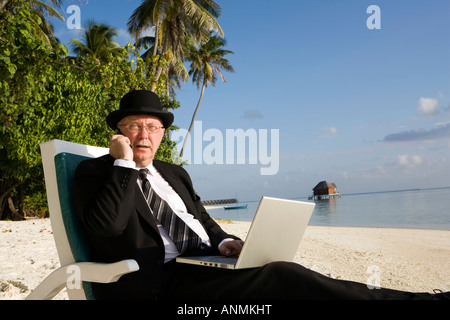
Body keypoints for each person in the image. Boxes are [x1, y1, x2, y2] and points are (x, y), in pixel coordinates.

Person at [73, 90, 448, 300]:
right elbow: (107, 227)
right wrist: (122, 166)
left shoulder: (174, 173)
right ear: (119, 133)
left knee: (287, 277)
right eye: (134, 126)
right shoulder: (96, 172)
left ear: (162, 135)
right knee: (287, 278)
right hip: (165, 286)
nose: (144, 135)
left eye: (152, 127)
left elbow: (203, 221)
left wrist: (225, 245)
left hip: (205, 267)